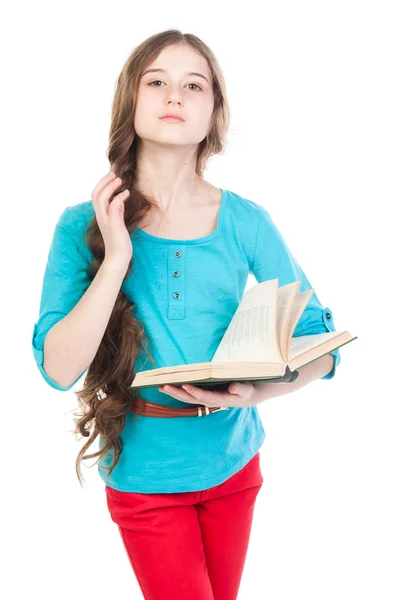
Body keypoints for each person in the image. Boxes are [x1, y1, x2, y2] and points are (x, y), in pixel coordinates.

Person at [31, 29, 341, 600]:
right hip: (145, 477)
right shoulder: (81, 225)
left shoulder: (246, 220)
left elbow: (321, 345)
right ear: (131, 101)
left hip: (233, 464)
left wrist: (257, 395)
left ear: (212, 113)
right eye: (157, 81)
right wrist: (117, 255)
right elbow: (57, 368)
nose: (175, 94)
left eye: (193, 84)